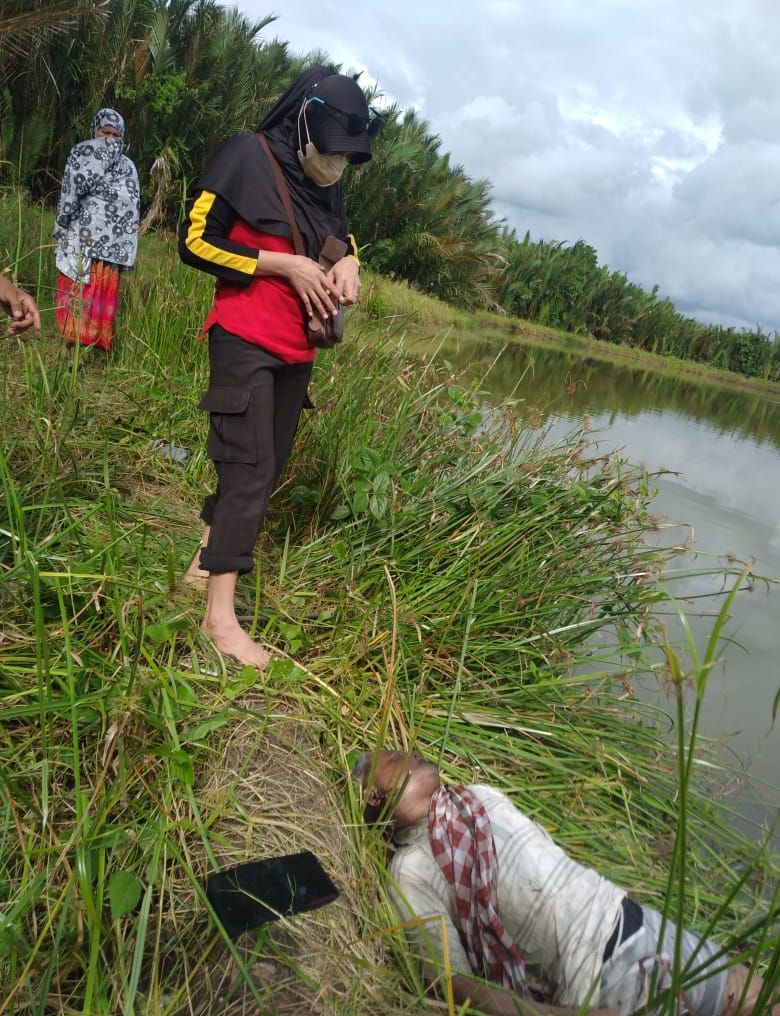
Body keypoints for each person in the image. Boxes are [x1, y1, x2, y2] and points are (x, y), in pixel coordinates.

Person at [178, 65, 383, 669]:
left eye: (348, 159)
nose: (336, 166)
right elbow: (193, 242)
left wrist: (350, 267)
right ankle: (220, 620)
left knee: (264, 470)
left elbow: (339, 237)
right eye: (330, 153)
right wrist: (280, 265)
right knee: (248, 468)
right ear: (302, 122)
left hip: (297, 350)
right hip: (243, 336)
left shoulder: (329, 181)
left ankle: (202, 563)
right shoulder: (245, 156)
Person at [353, 750, 778, 1016]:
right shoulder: (411, 870)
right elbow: (449, 980)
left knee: (752, 994)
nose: (409, 752)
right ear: (376, 796)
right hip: (594, 978)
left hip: (628, 918)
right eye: (393, 758)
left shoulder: (475, 796)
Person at [53, 108, 140, 352]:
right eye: (105, 132)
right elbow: (69, 194)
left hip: (110, 249)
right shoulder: (81, 153)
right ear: (95, 130)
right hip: (81, 242)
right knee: (77, 291)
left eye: (115, 134)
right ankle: (70, 351)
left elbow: (131, 208)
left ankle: (95, 352)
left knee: (99, 296)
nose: (109, 139)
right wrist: (62, 226)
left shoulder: (127, 167)